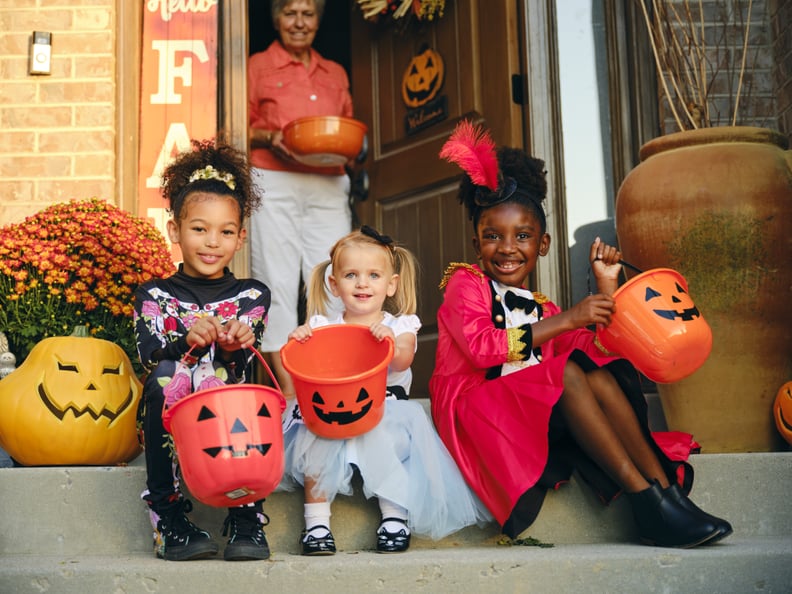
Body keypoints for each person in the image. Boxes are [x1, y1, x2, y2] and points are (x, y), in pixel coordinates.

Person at [429, 121, 732, 548]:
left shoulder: (542, 308)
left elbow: (598, 353)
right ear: (476, 244)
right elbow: (482, 350)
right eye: (492, 237)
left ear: (544, 244)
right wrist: (570, 318)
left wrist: (606, 288)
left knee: (591, 372)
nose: (507, 247)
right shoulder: (467, 284)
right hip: (474, 408)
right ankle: (644, 500)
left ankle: (668, 495)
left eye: (522, 236)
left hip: (531, 409)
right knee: (567, 373)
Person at [281, 226, 490, 555]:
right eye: (351, 275)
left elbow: (404, 361)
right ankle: (316, 525)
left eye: (374, 275)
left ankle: (394, 518)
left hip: (384, 409)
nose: (362, 283)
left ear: (390, 283)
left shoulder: (399, 326)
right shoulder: (325, 327)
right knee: (314, 438)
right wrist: (302, 338)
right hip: (335, 411)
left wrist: (390, 344)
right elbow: (304, 363)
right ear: (334, 285)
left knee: (386, 441)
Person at [134, 139, 275, 562]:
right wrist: (186, 342)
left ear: (240, 237)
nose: (212, 242)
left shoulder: (252, 294)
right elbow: (149, 356)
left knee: (236, 383)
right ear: (174, 230)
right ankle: (168, 517)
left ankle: (246, 514)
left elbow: (247, 363)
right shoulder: (154, 294)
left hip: (227, 412)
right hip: (170, 413)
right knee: (164, 378)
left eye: (226, 231)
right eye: (199, 228)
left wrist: (233, 348)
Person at [248, 0, 355, 397]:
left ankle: (328, 379)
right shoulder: (257, 66)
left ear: (317, 21)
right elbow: (235, 127)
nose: (299, 22)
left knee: (333, 277)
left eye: (307, 14)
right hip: (273, 178)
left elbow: (345, 124)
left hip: (327, 181)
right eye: (290, 13)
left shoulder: (335, 72)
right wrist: (270, 137)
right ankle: (290, 391)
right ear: (276, 20)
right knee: (275, 279)